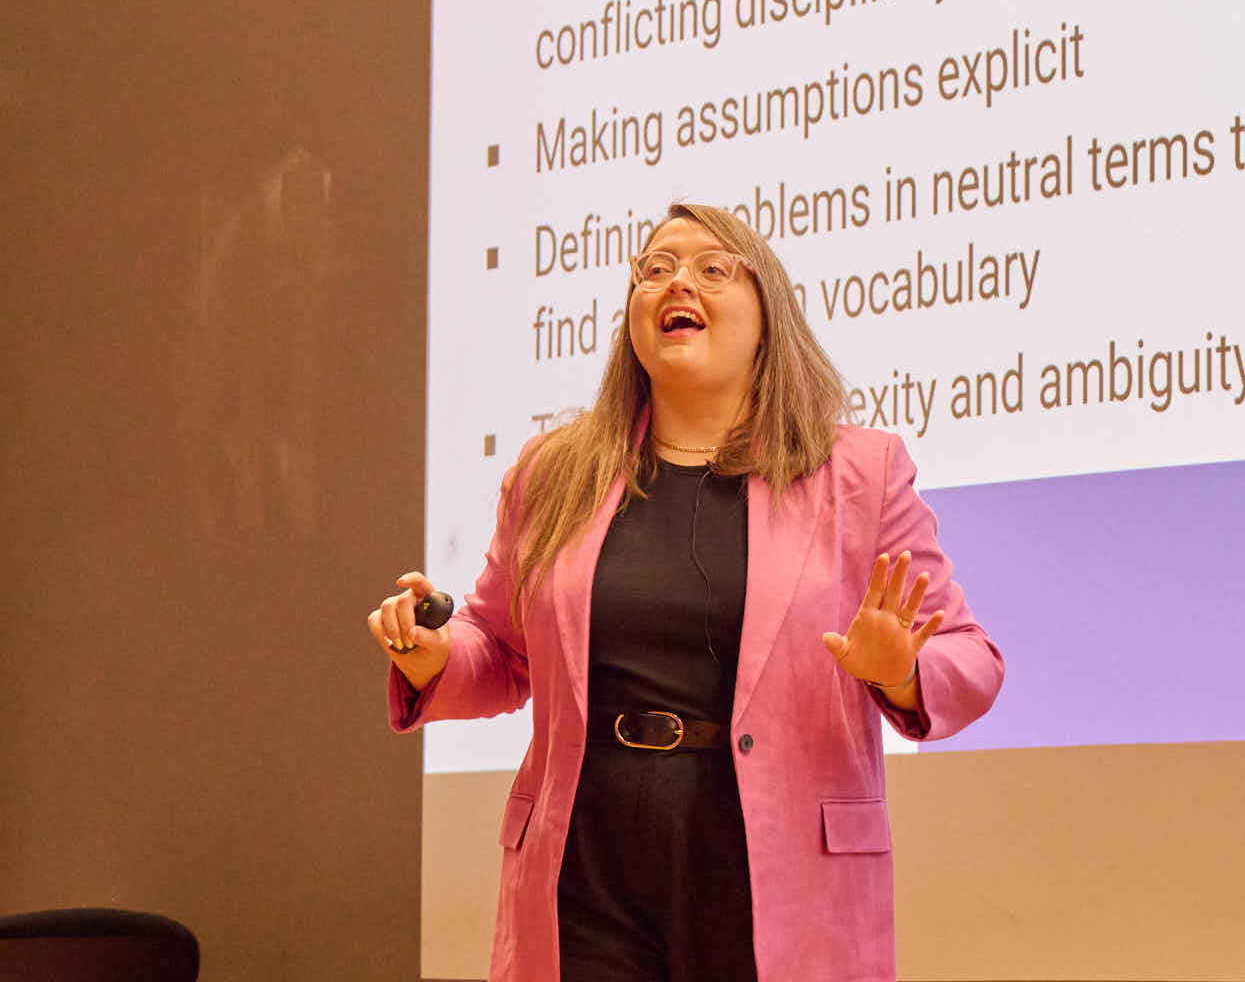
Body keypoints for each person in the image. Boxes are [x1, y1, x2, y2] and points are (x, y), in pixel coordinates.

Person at [368, 203, 1003, 982]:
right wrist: (431, 656)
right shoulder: (553, 473)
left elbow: (971, 660)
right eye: (656, 269)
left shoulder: (858, 474)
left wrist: (900, 673)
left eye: (712, 269)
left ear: (768, 316)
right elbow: (498, 651)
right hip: (586, 867)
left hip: (772, 871)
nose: (679, 284)